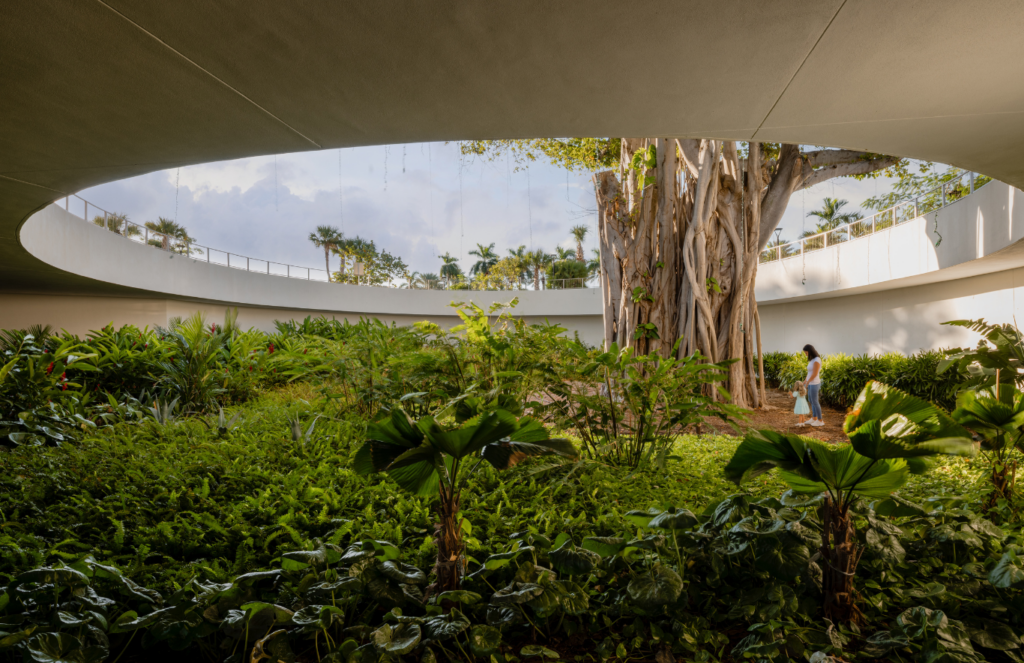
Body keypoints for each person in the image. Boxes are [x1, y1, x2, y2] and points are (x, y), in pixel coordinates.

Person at [803, 344, 824, 427]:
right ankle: (814, 418)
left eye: (806, 353)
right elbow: (809, 372)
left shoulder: (817, 360)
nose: (806, 354)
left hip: (814, 383)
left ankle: (820, 420)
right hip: (810, 383)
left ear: (810, 351)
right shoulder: (812, 360)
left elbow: (815, 374)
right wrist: (805, 380)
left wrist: (808, 382)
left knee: (815, 402)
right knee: (811, 401)